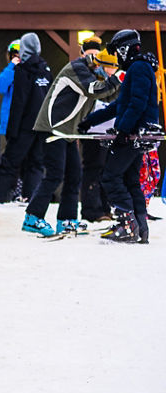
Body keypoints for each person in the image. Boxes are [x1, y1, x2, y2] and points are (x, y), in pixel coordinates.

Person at [22, 38, 122, 236]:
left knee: (74, 175)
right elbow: (94, 90)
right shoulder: (77, 68)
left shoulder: (95, 73)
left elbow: (107, 96)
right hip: (53, 126)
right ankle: (32, 217)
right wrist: (119, 78)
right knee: (55, 174)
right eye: (112, 70)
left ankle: (67, 220)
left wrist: (122, 81)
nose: (112, 74)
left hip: (68, 131)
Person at [79, 29, 159, 243]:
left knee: (110, 177)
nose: (116, 57)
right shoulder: (137, 68)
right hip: (135, 132)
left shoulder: (139, 68)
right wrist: (90, 121)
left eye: (116, 52)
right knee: (129, 178)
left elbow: (137, 103)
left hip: (134, 133)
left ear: (125, 49)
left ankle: (127, 224)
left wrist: (123, 130)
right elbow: (119, 106)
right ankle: (140, 227)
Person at [0, 33, 51, 205]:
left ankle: (3, 195)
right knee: (26, 161)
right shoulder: (21, 70)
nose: (17, 56)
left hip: (21, 124)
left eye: (19, 51)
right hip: (24, 123)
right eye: (13, 53)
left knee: (19, 160)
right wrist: (11, 68)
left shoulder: (29, 71)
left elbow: (21, 100)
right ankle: (21, 194)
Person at [80, 49, 120, 222]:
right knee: (93, 169)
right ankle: (92, 210)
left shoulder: (116, 82)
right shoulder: (94, 80)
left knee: (105, 170)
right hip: (93, 131)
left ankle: (105, 207)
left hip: (109, 132)